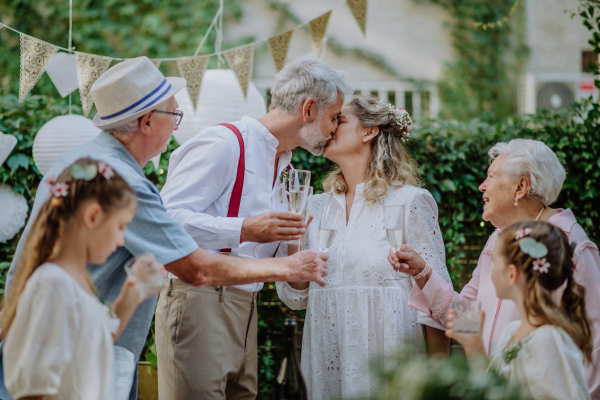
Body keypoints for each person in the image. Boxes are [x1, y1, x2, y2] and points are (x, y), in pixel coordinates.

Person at [0, 56, 328, 400]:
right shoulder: (122, 182)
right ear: (146, 122)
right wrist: (288, 266)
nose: (176, 126)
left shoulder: (73, 162)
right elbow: (197, 269)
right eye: (174, 115)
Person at [156, 59, 351, 399]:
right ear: (308, 109)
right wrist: (244, 229)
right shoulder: (224, 143)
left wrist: (293, 243)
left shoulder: (287, 168)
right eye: (333, 117)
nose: (335, 128)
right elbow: (165, 220)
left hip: (247, 305)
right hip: (200, 298)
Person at [389, 138, 600, 398]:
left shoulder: (573, 247)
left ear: (520, 187)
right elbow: (466, 315)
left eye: (491, 176)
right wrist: (422, 273)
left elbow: (594, 346)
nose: (482, 186)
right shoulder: (499, 239)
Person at [276, 96, 452, 400]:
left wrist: (439, 379)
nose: (330, 129)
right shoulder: (314, 206)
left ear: (369, 132)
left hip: (389, 361)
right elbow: (296, 295)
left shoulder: (410, 202)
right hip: (326, 356)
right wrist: (292, 238)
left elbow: (437, 297)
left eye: (340, 121)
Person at [1, 158, 166, 399]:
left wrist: (132, 293)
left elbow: (95, 338)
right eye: (120, 227)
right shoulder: (53, 283)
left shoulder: (75, 281)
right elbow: (34, 386)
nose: (121, 241)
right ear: (93, 216)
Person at [446, 221, 592, 400]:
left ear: (512, 273)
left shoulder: (547, 342)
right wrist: (474, 345)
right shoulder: (512, 331)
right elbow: (496, 391)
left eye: (494, 262)